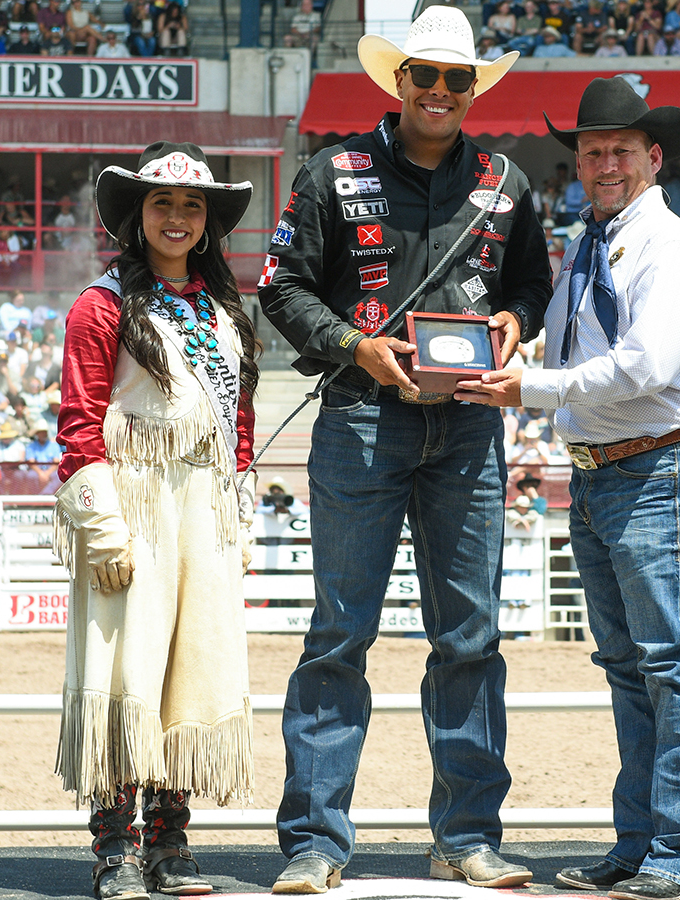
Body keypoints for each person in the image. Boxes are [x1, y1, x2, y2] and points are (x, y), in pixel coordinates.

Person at [258, 8, 549, 893]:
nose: (440, 91)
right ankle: (314, 842)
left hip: (466, 423)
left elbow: (533, 284)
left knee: (469, 636)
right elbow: (281, 287)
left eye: (457, 80)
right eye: (426, 75)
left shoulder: (509, 183)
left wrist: (515, 322)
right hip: (358, 417)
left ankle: (467, 837)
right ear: (398, 81)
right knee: (339, 633)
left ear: (472, 90)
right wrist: (356, 348)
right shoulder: (330, 172)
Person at [456, 76, 680, 900]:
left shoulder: (672, 248)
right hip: (615, 469)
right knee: (635, 666)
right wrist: (513, 332)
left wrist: (527, 388)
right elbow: (587, 346)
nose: (603, 163)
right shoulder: (597, 242)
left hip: (658, 464)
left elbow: (643, 365)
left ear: (653, 157)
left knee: (670, 665)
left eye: (618, 150)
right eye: (591, 151)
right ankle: (645, 844)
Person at [57, 141, 259, 900]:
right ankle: (116, 848)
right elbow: (79, 420)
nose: (177, 218)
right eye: (162, 203)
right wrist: (101, 523)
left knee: (190, 666)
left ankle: (171, 842)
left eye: (192, 205)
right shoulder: (101, 304)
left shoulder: (223, 307)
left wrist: (238, 503)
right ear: (136, 216)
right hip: (133, 502)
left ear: (208, 221)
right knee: (123, 668)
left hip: (201, 505)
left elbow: (235, 420)